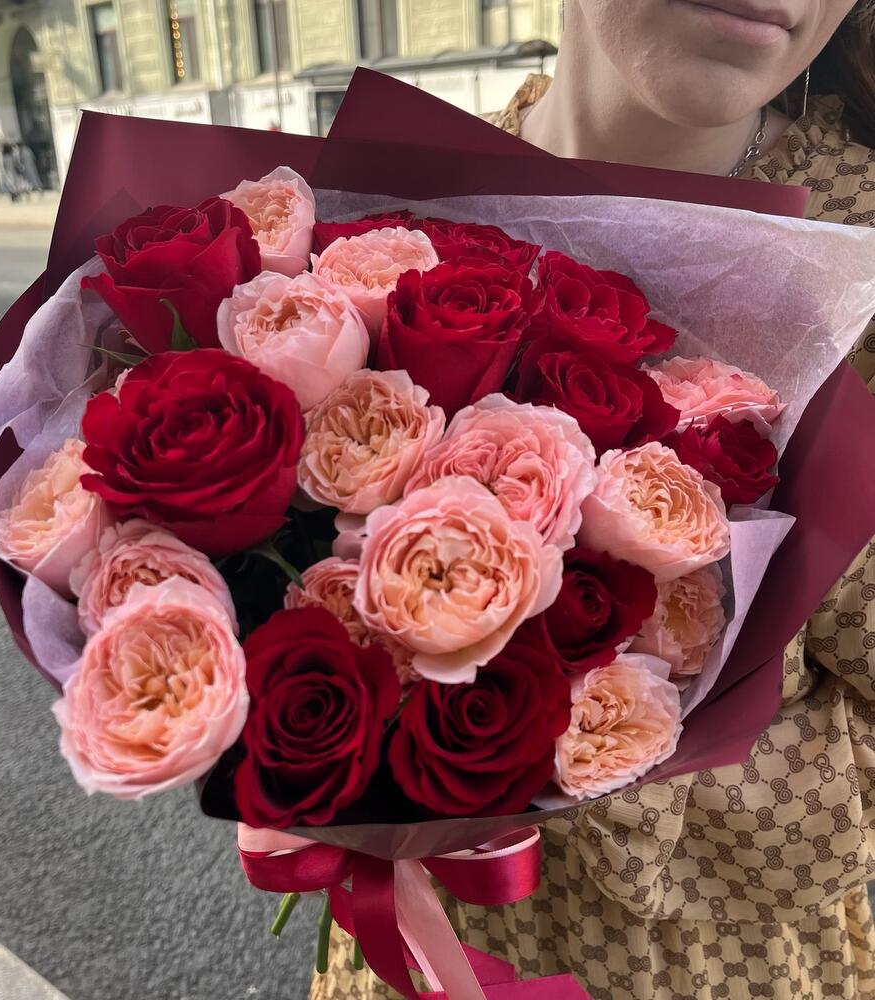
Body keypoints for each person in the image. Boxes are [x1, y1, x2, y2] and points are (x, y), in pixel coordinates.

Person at [312, 2, 875, 998]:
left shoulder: (858, 242)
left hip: (731, 964)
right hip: (416, 955)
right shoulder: (401, 210)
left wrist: (594, 751)